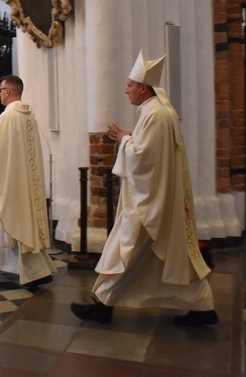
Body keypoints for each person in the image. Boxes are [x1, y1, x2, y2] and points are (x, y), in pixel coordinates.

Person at [71, 50, 218, 326]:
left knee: (126, 253)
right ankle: (202, 306)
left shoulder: (156, 115)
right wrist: (130, 138)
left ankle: (103, 305)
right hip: (157, 197)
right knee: (169, 258)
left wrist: (124, 140)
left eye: (129, 85)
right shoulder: (159, 111)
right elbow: (150, 153)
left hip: (148, 203)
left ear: (142, 87)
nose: (126, 90)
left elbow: (142, 158)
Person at [0, 75, 57, 288]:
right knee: (6, 219)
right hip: (26, 178)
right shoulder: (28, 116)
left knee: (15, 219)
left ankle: (36, 271)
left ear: (7, 92)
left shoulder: (8, 117)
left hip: (13, 179)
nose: (0, 93)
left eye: (0, 90)